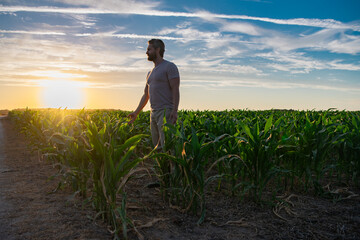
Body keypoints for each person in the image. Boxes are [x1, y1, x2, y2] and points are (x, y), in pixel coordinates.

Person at [128, 39, 180, 150]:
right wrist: (136, 112)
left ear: (158, 50)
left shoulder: (169, 67)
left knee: (168, 147)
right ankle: (161, 167)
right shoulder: (149, 73)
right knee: (157, 147)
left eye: (149, 49)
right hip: (153, 114)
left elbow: (175, 89)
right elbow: (146, 95)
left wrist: (174, 111)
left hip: (166, 112)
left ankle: (172, 168)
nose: (146, 52)